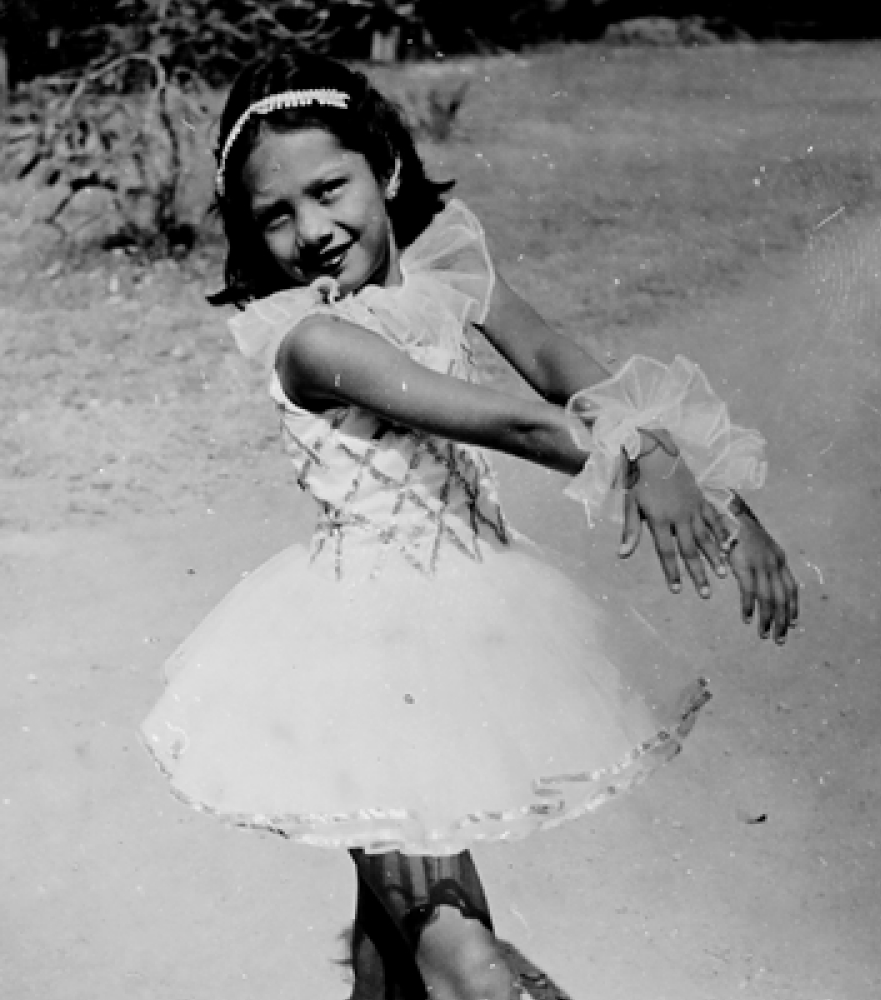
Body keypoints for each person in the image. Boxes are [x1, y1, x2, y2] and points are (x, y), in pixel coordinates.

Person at [140, 51, 798, 1000]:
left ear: (387, 168)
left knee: (400, 943)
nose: (313, 231)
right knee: (467, 964)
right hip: (364, 659)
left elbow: (570, 375)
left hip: (462, 630)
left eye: (330, 189)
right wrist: (644, 463)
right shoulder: (313, 343)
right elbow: (520, 424)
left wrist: (724, 497)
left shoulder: (445, 262)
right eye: (275, 216)